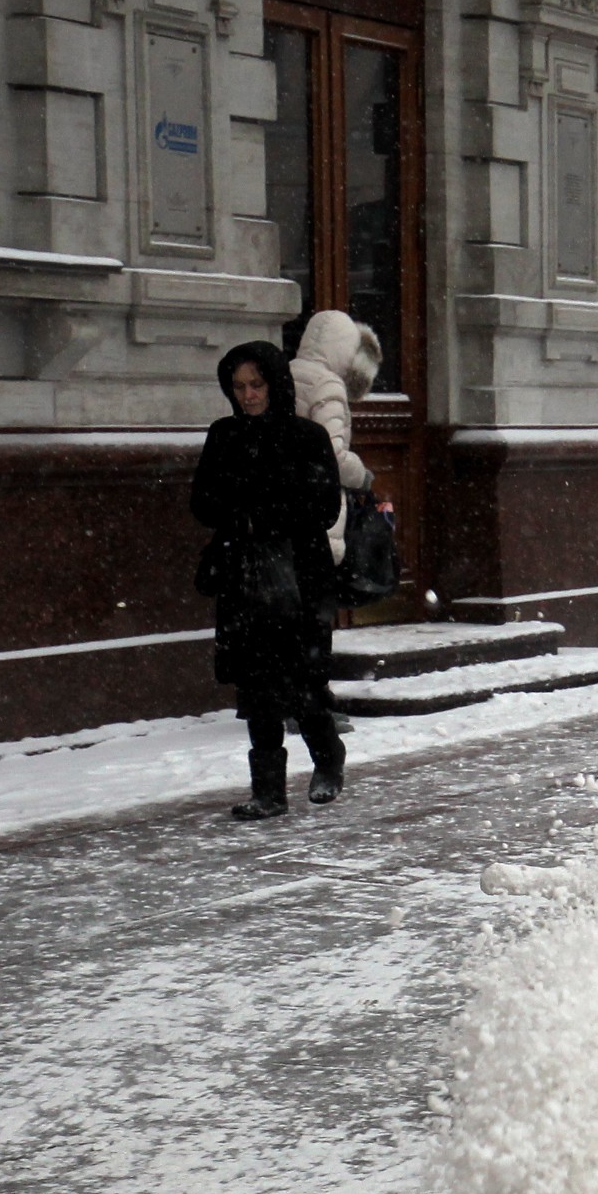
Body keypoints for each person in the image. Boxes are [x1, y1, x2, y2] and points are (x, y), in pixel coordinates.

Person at [194, 340, 345, 818]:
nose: (248, 395)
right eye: (239, 387)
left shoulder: (307, 437)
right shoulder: (224, 435)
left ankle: (327, 760)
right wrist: (242, 519)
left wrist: (265, 515)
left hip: (299, 578)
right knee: (257, 689)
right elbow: (202, 501)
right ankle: (269, 792)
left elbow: (324, 508)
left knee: (302, 683)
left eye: (256, 385)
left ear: (275, 383)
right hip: (245, 577)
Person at [288, 310, 382, 570]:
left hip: (283, 503)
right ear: (345, 349)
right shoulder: (327, 385)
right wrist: (361, 475)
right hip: (318, 507)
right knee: (317, 594)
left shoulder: (285, 373)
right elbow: (332, 456)